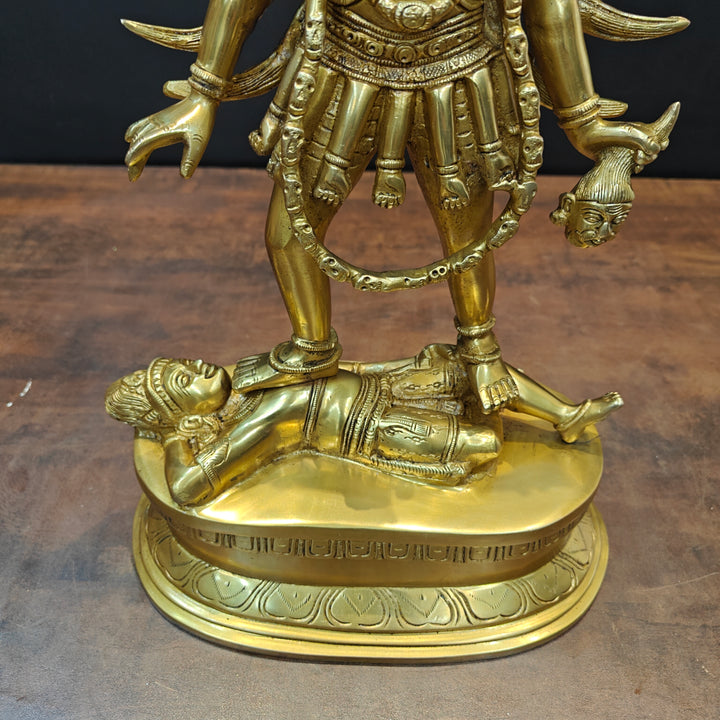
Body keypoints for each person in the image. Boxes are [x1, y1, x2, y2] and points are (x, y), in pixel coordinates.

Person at [123, 0, 680, 415]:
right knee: (287, 234)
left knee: (466, 240)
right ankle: (311, 346)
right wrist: (203, 92)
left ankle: (479, 349)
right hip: (343, 70)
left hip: (460, 79)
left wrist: (582, 119)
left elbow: (549, 10)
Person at [105, 348, 623, 506]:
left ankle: (567, 414)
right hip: (377, 426)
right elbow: (187, 488)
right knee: (484, 442)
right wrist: (172, 436)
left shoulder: (245, 374)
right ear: (186, 414)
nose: (196, 365)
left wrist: (396, 364)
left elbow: (327, 366)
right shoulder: (250, 424)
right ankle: (466, 442)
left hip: (385, 382)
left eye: (184, 362)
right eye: (184, 379)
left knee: (475, 366)